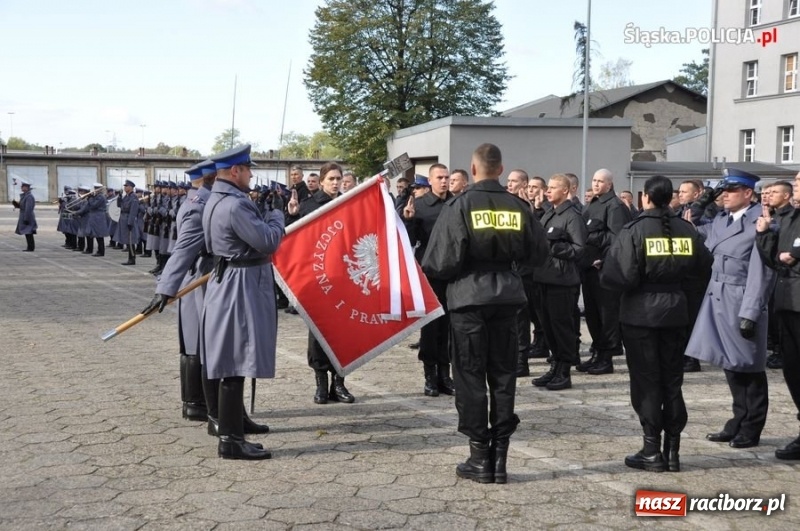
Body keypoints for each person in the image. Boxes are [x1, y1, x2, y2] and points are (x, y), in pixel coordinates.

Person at [422, 143, 548, 484]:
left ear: (473, 170)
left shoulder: (459, 205)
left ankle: (480, 456)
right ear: (501, 168)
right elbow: (539, 254)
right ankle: (501, 457)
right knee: (504, 375)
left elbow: (439, 262)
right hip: (507, 297)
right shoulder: (519, 206)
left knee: (470, 375)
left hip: (469, 299)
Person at [601, 175, 712, 472]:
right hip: (676, 311)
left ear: (646, 198)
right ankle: (672, 451)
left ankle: (652, 450)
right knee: (672, 381)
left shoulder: (634, 230)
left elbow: (620, 275)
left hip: (641, 315)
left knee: (647, 382)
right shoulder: (686, 229)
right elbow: (704, 265)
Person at [199, 144, 285, 460]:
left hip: (229, 280)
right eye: (248, 170)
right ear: (235, 171)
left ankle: (235, 428)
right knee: (235, 362)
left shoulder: (216, 199)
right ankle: (232, 441)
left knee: (232, 360)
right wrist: (276, 214)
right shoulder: (235, 206)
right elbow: (269, 241)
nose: (251, 175)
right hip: (241, 285)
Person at [685, 169, 774, 449]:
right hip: (717, 297)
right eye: (721, 191)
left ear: (748, 193)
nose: (724, 196)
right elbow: (692, 227)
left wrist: (751, 311)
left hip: (741, 299)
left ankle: (751, 426)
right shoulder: (722, 220)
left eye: (730, 191)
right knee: (730, 365)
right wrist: (702, 201)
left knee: (750, 366)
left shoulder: (761, 221)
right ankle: (738, 420)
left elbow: (762, 272)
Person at [287, 161, 357, 405]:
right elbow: (292, 241)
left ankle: (339, 383)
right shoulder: (308, 207)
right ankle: (321, 384)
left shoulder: (349, 206)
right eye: (331, 179)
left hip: (344, 279)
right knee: (318, 333)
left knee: (343, 333)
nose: (336, 183)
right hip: (318, 280)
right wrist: (292, 215)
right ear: (323, 181)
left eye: (339, 179)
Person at [756, 172, 800, 459]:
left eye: (799, 183)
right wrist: (763, 233)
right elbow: (776, 258)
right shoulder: (790, 218)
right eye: (795, 183)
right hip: (787, 302)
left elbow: (792, 255)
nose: (796, 187)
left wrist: (792, 254)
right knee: (793, 369)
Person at [530, 174, 587, 390]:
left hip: (562, 281)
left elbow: (580, 249)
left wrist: (553, 248)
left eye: (553, 188)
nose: (548, 191)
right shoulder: (548, 214)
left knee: (561, 327)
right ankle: (555, 366)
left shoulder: (572, 216)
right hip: (543, 277)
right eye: (549, 187)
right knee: (548, 327)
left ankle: (564, 371)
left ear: (565, 191)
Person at [403, 164, 456, 397]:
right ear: (431, 180)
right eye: (440, 178)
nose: (444, 182)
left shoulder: (457, 204)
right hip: (429, 273)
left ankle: (446, 375)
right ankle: (430, 376)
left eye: (447, 177)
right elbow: (408, 241)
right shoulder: (420, 206)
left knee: (450, 327)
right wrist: (409, 221)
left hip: (454, 274)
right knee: (431, 327)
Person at [577, 169, 633, 374]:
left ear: (610, 184)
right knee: (592, 315)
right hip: (589, 268)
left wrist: (600, 252)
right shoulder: (592, 205)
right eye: (594, 180)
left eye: (600, 181)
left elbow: (618, 238)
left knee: (607, 315)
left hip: (604, 269)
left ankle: (606, 357)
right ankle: (597, 353)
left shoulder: (615, 206)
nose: (596, 184)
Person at [73, 183, 110, 256]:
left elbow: (93, 205)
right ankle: (96, 250)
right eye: (95, 188)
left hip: (99, 217)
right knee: (94, 234)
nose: (95, 190)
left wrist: (90, 198)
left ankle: (101, 251)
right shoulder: (96, 196)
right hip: (94, 217)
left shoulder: (100, 197)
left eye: (96, 188)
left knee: (99, 235)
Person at [116, 180, 141, 266]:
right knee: (127, 240)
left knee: (131, 240)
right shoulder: (126, 197)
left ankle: (132, 258)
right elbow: (119, 205)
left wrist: (130, 222)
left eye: (126, 186)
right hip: (124, 219)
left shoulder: (133, 197)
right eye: (124, 186)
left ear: (131, 187)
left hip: (129, 220)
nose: (125, 187)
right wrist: (119, 197)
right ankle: (130, 258)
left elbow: (133, 211)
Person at [13, 179, 37, 252]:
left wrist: (26, 218)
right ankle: (29, 247)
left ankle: (31, 247)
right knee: (27, 232)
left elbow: (28, 209)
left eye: (23, 186)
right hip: (24, 215)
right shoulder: (25, 196)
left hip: (27, 216)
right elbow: (22, 206)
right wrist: (16, 204)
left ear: (27, 188)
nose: (21, 188)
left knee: (28, 232)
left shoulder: (29, 197)